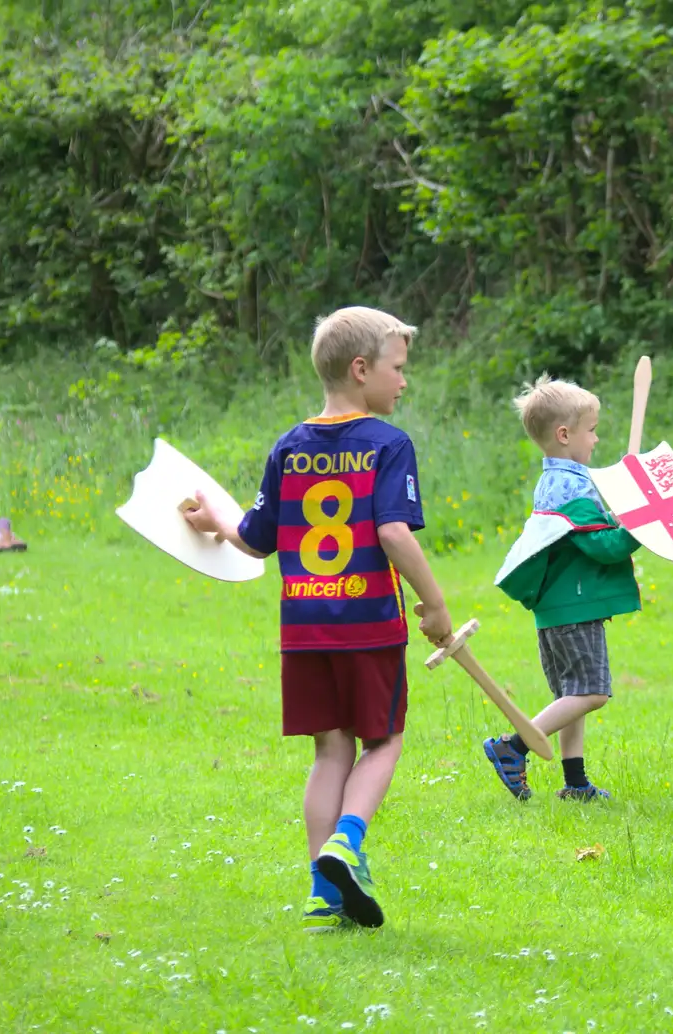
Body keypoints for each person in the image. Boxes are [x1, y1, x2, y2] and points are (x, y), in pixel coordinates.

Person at [183, 306, 454, 933]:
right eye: (398, 369)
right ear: (361, 370)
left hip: (304, 628)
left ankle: (321, 890)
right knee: (384, 740)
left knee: (331, 751)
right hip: (367, 625)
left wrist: (214, 523)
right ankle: (347, 843)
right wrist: (435, 603)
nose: (404, 382)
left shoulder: (290, 445)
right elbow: (392, 530)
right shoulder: (389, 445)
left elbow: (255, 540)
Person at [484, 375, 643, 802]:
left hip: (557, 609)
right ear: (564, 434)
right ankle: (512, 747)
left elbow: (588, 529)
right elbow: (602, 546)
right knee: (591, 693)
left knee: (571, 695)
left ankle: (575, 783)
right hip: (573, 607)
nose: (596, 438)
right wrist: (641, 527)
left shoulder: (554, 481)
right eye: (591, 430)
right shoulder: (571, 485)